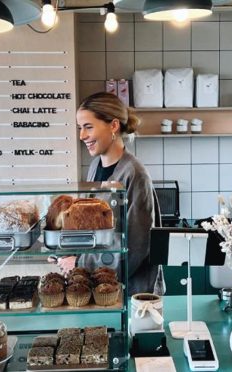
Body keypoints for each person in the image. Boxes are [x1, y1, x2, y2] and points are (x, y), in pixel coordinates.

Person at [57, 92, 162, 295]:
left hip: (133, 294)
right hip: (101, 286)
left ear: (113, 126)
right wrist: (66, 250)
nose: (82, 136)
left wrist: (80, 263)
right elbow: (90, 226)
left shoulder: (134, 173)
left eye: (88, 127)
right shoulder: (95, 165)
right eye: (80, 128)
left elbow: (134, 248)